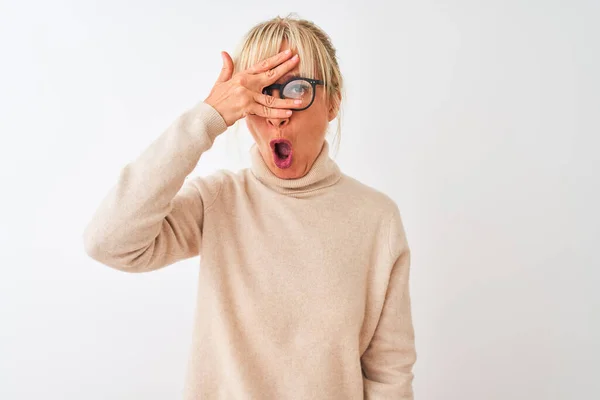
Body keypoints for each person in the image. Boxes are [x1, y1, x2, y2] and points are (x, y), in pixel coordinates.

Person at [83, 14, 416, 400]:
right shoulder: (219, 201)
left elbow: (389, 372)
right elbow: (107, 242)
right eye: (261, 92)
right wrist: (207, 117)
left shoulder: (377, 219)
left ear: (333, 102)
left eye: (296, 89)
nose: (277, 113)